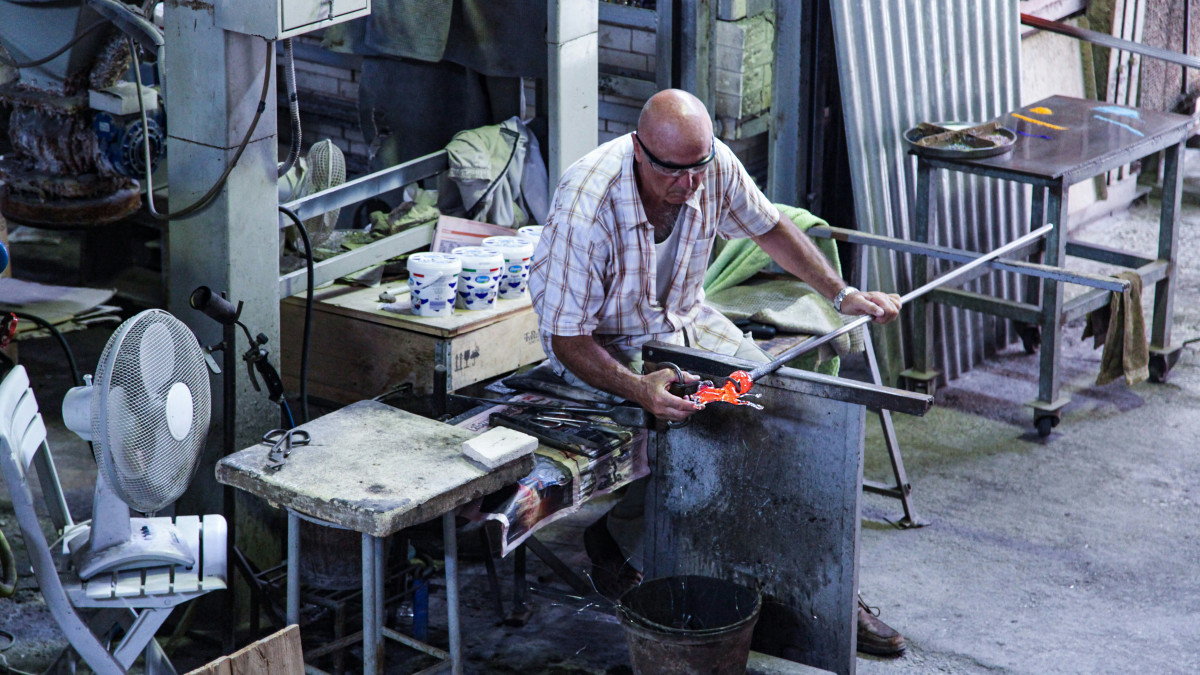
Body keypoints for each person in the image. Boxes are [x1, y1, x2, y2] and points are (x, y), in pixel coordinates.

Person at [528, 89, 906, 656]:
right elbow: (567, 338)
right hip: (603, 346)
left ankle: (826, 597)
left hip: (682, 320)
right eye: (673, 172)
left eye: (698, 168)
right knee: (690, 427)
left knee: (775, 408)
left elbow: (769, 227)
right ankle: (637, 547)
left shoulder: (711, 165)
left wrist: (841, 293)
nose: (689, 185)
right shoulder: (588, 203)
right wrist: (638, 388)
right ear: (638, 151)